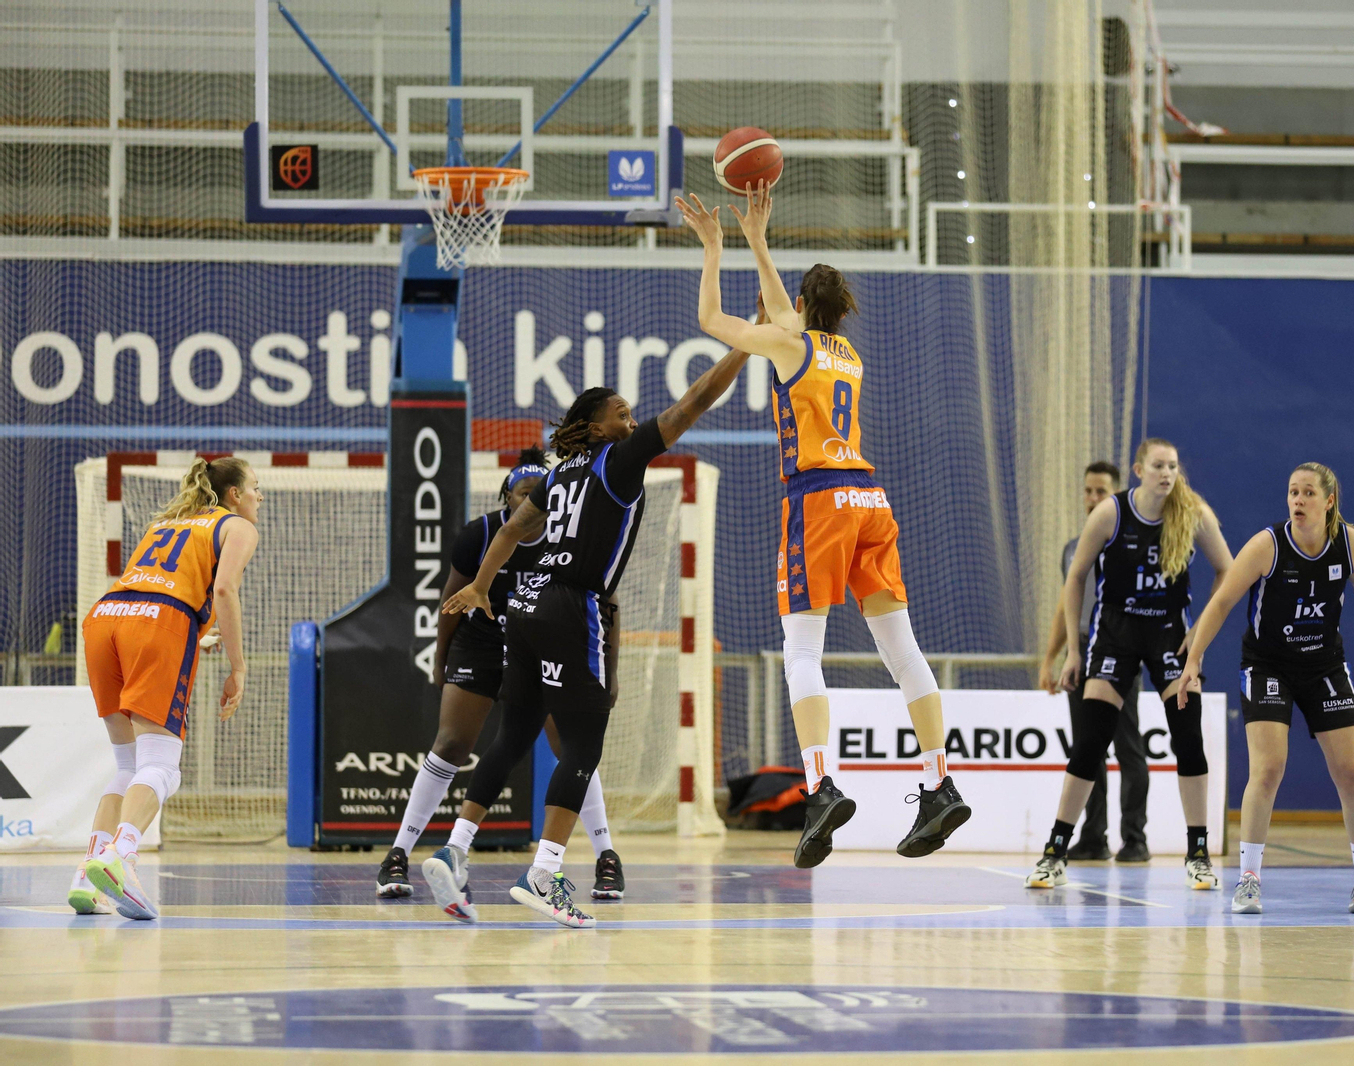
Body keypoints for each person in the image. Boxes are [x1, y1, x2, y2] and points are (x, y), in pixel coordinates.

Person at [676, 182, 969, 869]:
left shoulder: (786, 346)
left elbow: (713, 319)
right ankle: (940, 782)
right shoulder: (844, 354)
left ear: (803, 309)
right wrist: (757, 239)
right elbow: (785, 311)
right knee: (903, 649)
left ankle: (820, 785)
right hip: (873, 500)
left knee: (801, 652)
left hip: (819, 500)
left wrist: (716, 247)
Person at [441, 336, 752, 928]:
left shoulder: (558, 475)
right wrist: (743, 348)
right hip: (570, 605)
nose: (631, 420)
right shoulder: (621, 458)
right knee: (583, 746)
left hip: (525, 602)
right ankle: (544, 872)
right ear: (594, 426)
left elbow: (508, 533)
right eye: (621, 413)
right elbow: (694, 400)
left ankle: (455, 850)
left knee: (515, 733)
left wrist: (484, 587)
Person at [374, 447, 624, 918]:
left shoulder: (570, 536)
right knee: (453, 742)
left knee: (567, 743)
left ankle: (604, 853)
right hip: (485, 642)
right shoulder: (483, 534)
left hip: (544, 641)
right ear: (508, 498)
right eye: (524, 495)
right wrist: (442, 658)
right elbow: (454, 597)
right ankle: (401, 852)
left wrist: (611, 667)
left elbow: (607, 601)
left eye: (541, 494)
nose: (533, 502)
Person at [1175, 462, 1354, 915]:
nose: (1298, 501)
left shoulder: (1352, 543)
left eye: (1308, 493)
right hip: (1268, 665)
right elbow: (1223, 599)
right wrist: (1193, 660)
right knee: (1268, 769)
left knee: (1350, 771)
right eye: (1292, 492)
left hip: (1324, 664)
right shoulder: (1267, 545)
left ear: (1329, 501)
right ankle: (1248, 880)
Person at [1028, 438, 1233, 892]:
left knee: (1187, 735)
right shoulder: (1111, 513)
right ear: (1139, 470)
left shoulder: (1192, 512)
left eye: (1173, 466)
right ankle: (1054, 852)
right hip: (1116, 633)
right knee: (1090, 742)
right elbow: (1076, 576)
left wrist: (1197, 640)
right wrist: (1075, 653)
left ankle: (1197, 853)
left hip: (1167, 633)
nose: (1167, 473)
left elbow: (1228, 571)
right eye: (1159, 465)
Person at [73, 456, 262, 919]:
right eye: (256, 487)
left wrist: (193, 637)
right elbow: (223, 592)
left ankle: (88, 874)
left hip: (105, 619)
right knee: (162, 768)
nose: (260, 496)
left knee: (128, 763)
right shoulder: (236, 526)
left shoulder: (167, 522)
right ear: (234, 494)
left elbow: (149, 591)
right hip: (158, 623)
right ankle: (121, 858)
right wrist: (238, 666)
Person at [1039, 461, 1149, 863]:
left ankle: (1135, 838)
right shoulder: (1074, 546)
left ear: (1117, 495)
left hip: (1119, 650)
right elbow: (1065, 605)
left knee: (1128, 746)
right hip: (1081, 652)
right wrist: (1051, 657)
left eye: (1101, 492)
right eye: (1087, 491)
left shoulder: (1131, 541)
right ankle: (1093, 836)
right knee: (1088, 748)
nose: (1092, 499)